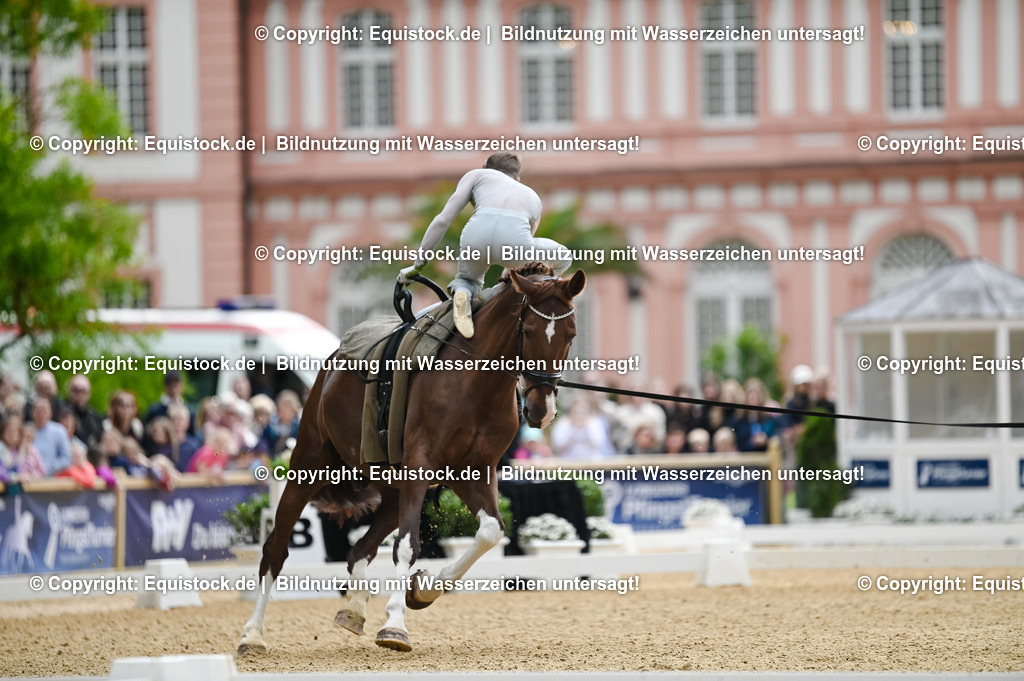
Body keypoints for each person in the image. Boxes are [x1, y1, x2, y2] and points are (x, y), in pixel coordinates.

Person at [397, 152, 572, 338]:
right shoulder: (532, 196)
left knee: (466, 281)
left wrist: (418, 265)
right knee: (565, 257)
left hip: (475, 236)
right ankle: (499, 295)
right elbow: (523, 258)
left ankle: (464, 292)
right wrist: (508, 279)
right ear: (518, 179)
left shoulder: (476, 175)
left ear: (485, 167)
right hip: (515, 245)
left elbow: (442, 220)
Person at [29, 398, 71, 475]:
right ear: (32, 412)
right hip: (28, 480)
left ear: (50, 413)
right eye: (38, 410)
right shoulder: (26, 430)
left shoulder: (59, 430)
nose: (40, 414)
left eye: (44, 410)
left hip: (51, 480)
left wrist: (47, 468)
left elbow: (66, 458)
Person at [67, 375, 104, 448]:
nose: (80, 394)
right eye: (76, 390)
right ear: (70, 392)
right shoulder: (61, 414)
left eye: (83, 391)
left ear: (89, 394)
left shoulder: (94, 417)